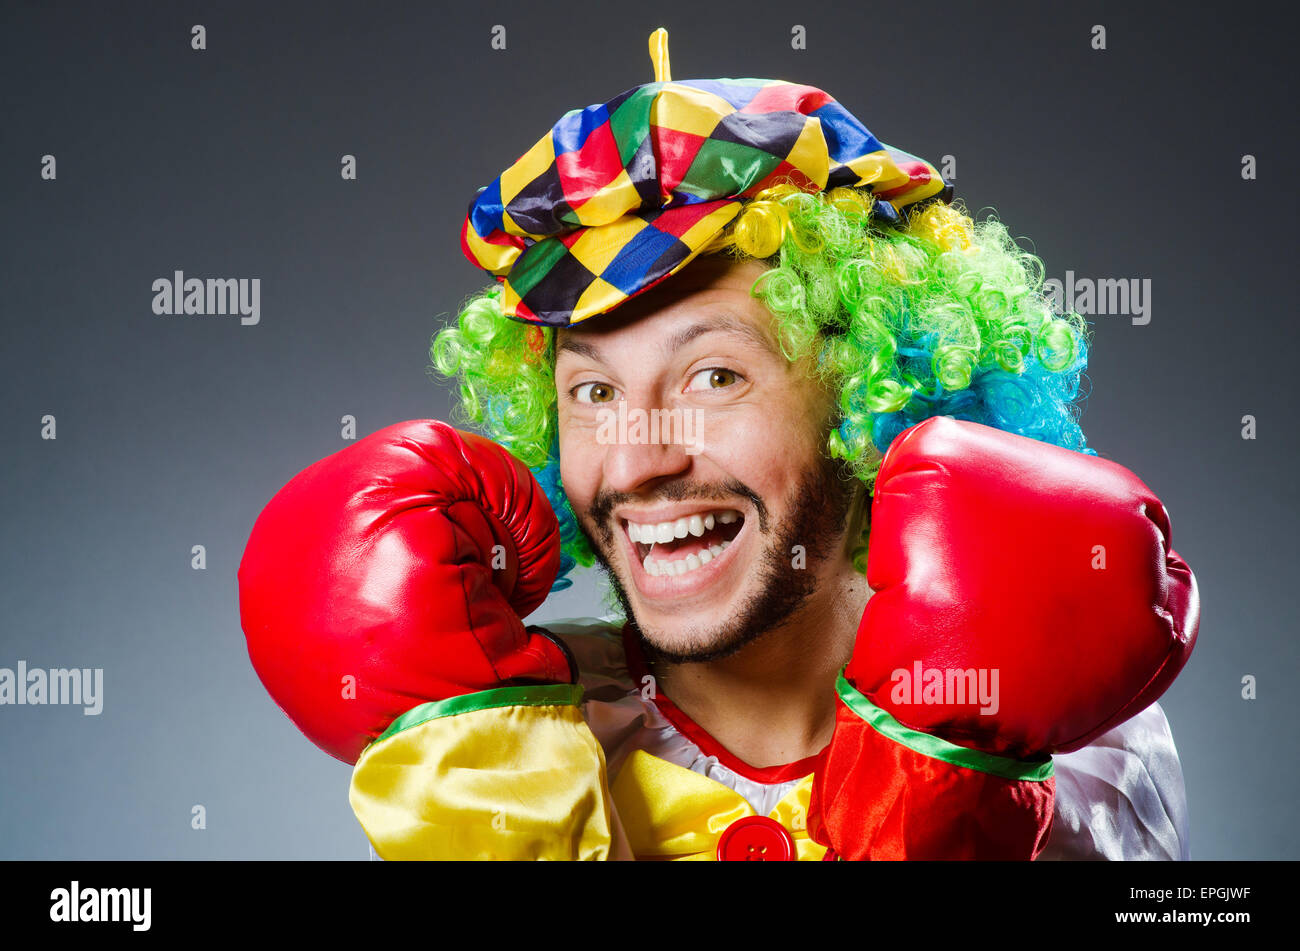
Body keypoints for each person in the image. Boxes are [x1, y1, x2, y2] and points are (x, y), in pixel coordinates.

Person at [239, 29, 1199, 860]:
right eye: (594, 390)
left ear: (879, 395)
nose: (639, 460)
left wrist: (951, 792)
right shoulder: (502, 740)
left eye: (714, 376)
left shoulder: (1062, 749)